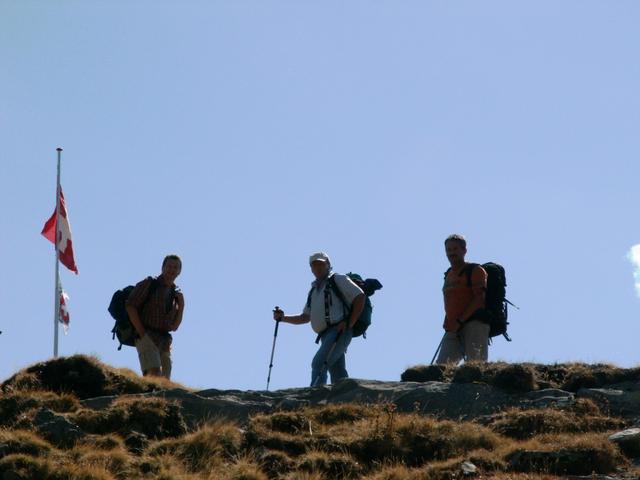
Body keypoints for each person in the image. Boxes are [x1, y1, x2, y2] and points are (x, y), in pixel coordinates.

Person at [273, 252, 366, 386]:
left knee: (319, 362)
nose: (318, 267)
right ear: (311, 268)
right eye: (314, 265)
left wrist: (349, 323)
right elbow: (305, 317)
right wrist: (283, 318)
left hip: (339, 331)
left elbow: (360, 296)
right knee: (338, 372)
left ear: (328, 265)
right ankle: (345, 400)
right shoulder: (314, 290)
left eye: (321, 264)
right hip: (326, 336)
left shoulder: (338, 279)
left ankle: (315, 397)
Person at [125, 254, 185, 378]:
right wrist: (142, 333)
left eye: (175, 267)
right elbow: (130, 306)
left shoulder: (176, 295)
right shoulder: (150, 284)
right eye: (169, 266)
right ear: (162, 267)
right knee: (153, 373)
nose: (172, 270)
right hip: (146, 335)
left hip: (164, 342)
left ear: (179, 271)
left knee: (165, 380)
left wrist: (182, 305)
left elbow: (174, 327)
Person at [436, 235, 489, 364]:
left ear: (464, 250)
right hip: (453, 327)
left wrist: (460, 320)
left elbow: (479, 300)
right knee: (441, 367)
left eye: (455, 249)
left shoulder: (476, 270)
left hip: (475, 323)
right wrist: (448, 323)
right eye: (448, 250)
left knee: (476, 365)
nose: (451, 253)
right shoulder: (448, 274)